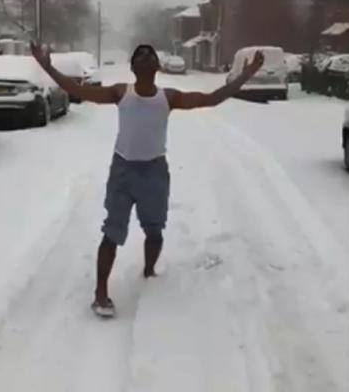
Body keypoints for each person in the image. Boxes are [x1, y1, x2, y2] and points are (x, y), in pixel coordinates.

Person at [30, 42, 264, 317]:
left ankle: (149, 271)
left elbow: (211, 98)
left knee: (154, 230)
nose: (144, 57)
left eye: (149, 54)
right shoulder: (121, 93)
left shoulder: (169, 97)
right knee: (112, 232)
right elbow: (79, 90)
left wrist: (246, 75)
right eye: (139, 55)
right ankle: (100, 293)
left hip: (154, 172)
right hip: (123, 171)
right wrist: (47, 67)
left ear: (157, 66)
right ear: (132, 67)